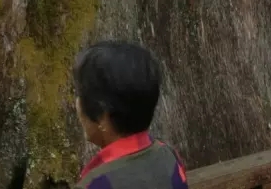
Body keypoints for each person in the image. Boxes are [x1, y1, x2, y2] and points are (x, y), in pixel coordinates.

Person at [72, 41, 188, 189]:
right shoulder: (170, 157)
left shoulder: (94, 184)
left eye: (79, 94)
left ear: (103, 115)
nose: (77, 102)